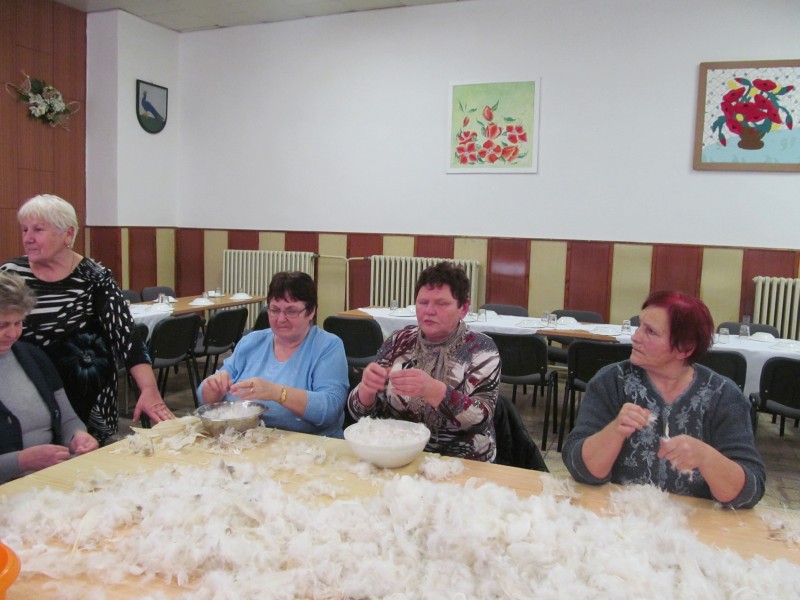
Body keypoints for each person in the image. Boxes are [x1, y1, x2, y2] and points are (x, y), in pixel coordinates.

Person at [562, 291, 765, 509]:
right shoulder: (612, 381)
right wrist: (615, 431)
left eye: (650, 331)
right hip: (618, 516)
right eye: (639, 325)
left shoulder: (723, 395)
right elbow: (580, 468)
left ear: (685, 348)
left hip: (694, 523)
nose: (635, 337)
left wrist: (706, 458)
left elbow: (749, 493)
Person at [1, 194, 173, 445]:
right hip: (30, 398)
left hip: (90, 398)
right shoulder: (11, 275)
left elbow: (126, 336)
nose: (28, 238)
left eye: (38, 230)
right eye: (25, 229)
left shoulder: (94, 277)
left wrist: (149, 389)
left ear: (68, 234)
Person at [348, 262, 500, 461]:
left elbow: (482, 419)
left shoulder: (480, 349)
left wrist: (434, 391)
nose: (429, 311)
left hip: (462, 459)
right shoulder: (399, 341)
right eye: (423, 302)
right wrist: (366, 390)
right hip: (398, 454)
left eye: (441, 303)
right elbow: (359, 416)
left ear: (463, 308)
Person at [198, 271, 349, 437]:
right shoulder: (251, 342)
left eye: (291, 311)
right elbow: (204, 398)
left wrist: (277, 393)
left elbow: (330, 410)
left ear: (311, 311)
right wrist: (213, 388)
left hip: (309, 445)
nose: (281, 319)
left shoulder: (327, 346)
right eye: (274, 310)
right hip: (245, 439)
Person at [0, 272, 99, 483]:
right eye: (2, 325)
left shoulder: (32, 357)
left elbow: (68, 419)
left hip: (50, 479)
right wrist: (21, 462)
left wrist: (78, 436)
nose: (13, 334)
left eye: (18, 323)